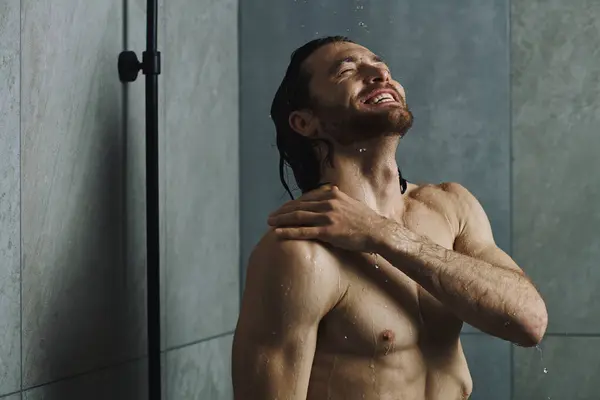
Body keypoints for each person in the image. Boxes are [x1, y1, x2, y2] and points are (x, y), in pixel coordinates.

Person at [232, 36, 548, 400]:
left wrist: (381, 233)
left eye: (381, 65)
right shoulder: (300, 253)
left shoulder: (451, 208)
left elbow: (529, 322)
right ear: (306, 122)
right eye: (347, 70)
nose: (379, 72)